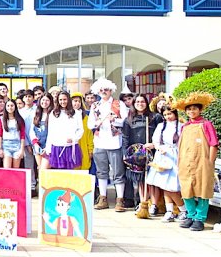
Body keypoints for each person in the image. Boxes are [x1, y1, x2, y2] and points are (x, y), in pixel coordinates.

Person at [174, 93, 219, 231]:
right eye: (189, 109)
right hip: (186, 163)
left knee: (203, 191)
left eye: (194, 109)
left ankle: (200, 218)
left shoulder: (206, 124)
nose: (191, 111)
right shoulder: (185, 126)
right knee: (186, 190)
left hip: (202, 163)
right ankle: (191, 215)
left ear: (200, 110)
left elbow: (213, 144)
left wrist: (210, 162)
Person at [88, 79, 128, 211]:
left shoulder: (119, 104)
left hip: (115, 142)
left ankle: (120, 200)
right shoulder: (95, 105)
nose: (104, 92)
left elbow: (125, 121)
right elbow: (89, 124)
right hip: (99, 142)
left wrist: (115, 120)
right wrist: (96, 123)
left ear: (111, 90)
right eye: (101, 90)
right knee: (101, 172)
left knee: (118, 172)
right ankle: (103, 198)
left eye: (106, 89)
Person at [122, 93, 163, 219]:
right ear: (134, 104)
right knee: (141, 179)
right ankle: (142, 202)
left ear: (147, 103)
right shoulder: (128, 119)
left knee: (152, 180)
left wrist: (154, 144)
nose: (140, 104)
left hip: (153, 153)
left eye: (142, 102)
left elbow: (161, 134)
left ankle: (154, 205)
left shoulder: (155, 117)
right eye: (137, 102)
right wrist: (125, 153)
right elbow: (125, 138)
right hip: (137, 155)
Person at [149, 105, 187, 223]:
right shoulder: (161, 126)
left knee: (171, 185)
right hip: (163, 155)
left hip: (175, 155)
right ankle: (169, 211)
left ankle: (183, 210)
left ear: (175, 113)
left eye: (169, 114)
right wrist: (159, 148)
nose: (167, 117)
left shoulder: (181, 126)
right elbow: (155, 140)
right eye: (165, 115)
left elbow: (183, 142)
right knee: (163, 184)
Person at [45, 91, 83, 169]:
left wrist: (73, 138)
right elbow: (51, 132)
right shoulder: (53, 113)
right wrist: (48, 148)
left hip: (70, 146)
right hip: (57, 147)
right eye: (60, 100)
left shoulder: (76, 113)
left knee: (70, 171)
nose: (63, 102)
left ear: (68, 100)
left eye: (65, 99)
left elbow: (80, 129)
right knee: (59, 172)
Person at [70, 93, 94, 172]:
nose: (77, 103)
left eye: (79, 101)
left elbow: (89, 135)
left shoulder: (86, 118)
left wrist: (90, 150)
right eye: (75, 101)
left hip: (83, 149)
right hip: (70, 149)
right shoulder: (66, 116)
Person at [0, 99, 26, 168]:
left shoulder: (20, 119)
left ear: (15, 107)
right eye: (8, 106)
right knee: (7, 169)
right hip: (6, 146)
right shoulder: (2, 119)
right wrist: (0, 149)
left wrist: (22, 150)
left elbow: (22, 136)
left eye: (12, 105)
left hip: (17, 146)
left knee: (16, 170)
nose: (10, 107)